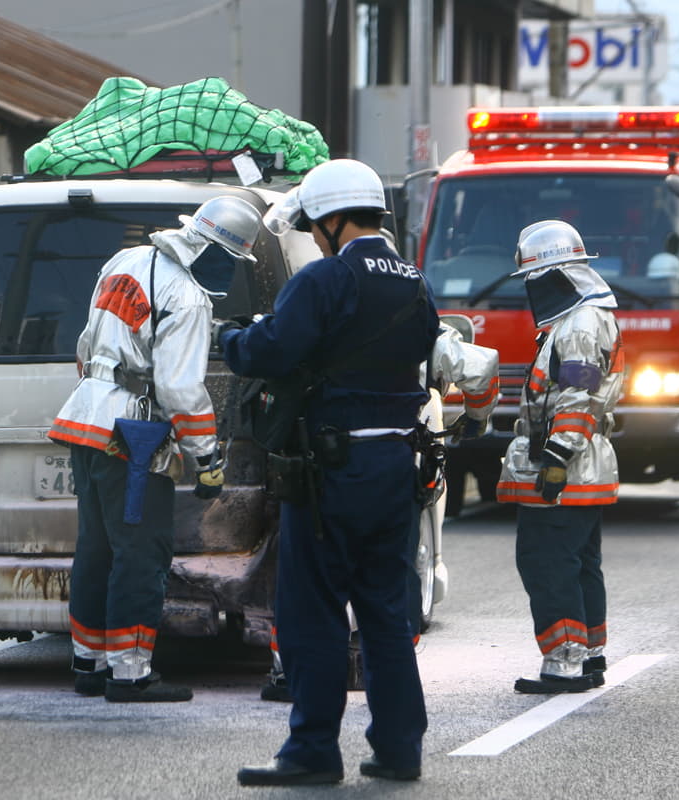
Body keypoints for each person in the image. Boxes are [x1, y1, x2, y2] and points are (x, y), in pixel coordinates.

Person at [220, 159, 439, 785]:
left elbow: (271, 350)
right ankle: (399, 750)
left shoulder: (325, 279)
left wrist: (234, 337)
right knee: (385, 614)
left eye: (317, 227)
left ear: (331, 220)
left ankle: (313, 753)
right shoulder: (415, 284)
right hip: (396, 465)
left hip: (330, 471)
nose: (317, 237)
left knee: (313, 612)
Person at [47, 195, 263, 702]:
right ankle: (130, 673)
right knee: (142, 554)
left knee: (97, 550)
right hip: (134, 439)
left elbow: (86, 345)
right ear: (216, 250)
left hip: (86, 420)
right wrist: (207, 458)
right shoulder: (188, 297)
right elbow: (180, 390)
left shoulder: (125, 262)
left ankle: (90, 662)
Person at [258, 319, 500, 703]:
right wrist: (475, 419)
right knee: (391, 570)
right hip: (392, 465)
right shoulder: (418, 327)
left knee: (310, 570)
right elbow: (481, 369)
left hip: (318, 462)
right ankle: (386, 672)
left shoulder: (315, 317)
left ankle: (292, 672)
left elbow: (258, 356)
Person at [496, 220, 622, 694]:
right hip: (583, 464)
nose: (533, 289)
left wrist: (555, 456)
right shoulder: (583, 319)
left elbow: (577, 394)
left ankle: (564, 661)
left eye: (536, 278)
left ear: (558, 275)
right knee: (577, 562)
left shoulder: (581, 324)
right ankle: (587, 655)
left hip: (566, 464)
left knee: (547, 562)